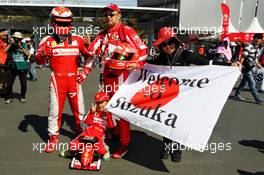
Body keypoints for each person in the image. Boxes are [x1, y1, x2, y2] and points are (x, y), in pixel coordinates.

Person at [148, 27, 240, 162]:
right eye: (163, 44)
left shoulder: (186, 54)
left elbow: (206, 62)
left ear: (175, 41)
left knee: (178, 123)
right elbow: (150, 64)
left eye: (170, 42)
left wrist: (228, 65)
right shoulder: (162, 56)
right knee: (166, 122)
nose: (167, 46)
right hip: (167, 95)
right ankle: (167, 147)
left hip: (184, 95)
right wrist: (136, 64)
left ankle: (177, 148)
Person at [77, 3, 148, 158]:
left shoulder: (126, 30)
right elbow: (91, 52)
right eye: (106, 15)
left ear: (119, 15)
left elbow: (143, 49)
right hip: (105, 80)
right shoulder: (102, 35)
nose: (108, 17)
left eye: (111, 14)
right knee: (106, 109)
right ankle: (115, 132)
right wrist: (85, 44)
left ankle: (125, 144)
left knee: (122, 112)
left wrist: (137, 64)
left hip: (122, 80)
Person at [35, 6, 90, 153]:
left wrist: (84, 72)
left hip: (74, 81)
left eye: (66, 23)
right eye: (60, 23)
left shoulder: (78, 40)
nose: (63, 26)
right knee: (54, 111)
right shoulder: (46, 40)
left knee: (80, 111)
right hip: (57, 81)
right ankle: (53, 138)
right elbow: (38, 62)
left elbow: (90, 56)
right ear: (53, 22)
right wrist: (42, 55)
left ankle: (81, 133)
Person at [60, 91, 115, 161]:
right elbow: (84, 124)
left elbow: (111, 126)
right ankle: (71, 152)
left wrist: (108, 114)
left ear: (107, 101)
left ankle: (106, 150)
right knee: (72, 146)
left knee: (101, 151)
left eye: (102, 102)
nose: (100, 105)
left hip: (99, 134)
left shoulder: (110, 113)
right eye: (97, 103)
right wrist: (91, 113)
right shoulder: (92, 111)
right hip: (88, 131)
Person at [234, 33, 263, 104]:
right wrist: (240, 64)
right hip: (245, 67)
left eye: (259, 39)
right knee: (252, 83)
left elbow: (255, 58)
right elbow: (243, 56)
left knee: (244, 82)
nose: (258, 40)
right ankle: (257, 98)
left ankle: (237, 94)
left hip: (250, 67)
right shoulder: (248, 46)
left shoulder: (257, 47)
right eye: (256, 38)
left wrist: (257, 64)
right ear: (254, 39)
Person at [4, 32, 29, 104]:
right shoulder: (11, 45)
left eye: (19, 39)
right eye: (16, 38)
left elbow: (27, 53)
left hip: (22, 66)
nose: (18, 40)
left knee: (23, 84)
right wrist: (10, 44)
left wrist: (20, 47)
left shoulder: (23, 44)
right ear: (14, 38)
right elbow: (4, 51)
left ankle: (22, 96)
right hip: (12, 67)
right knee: (9, 83)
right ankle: (9, 97)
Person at [0, 29, 8, 97]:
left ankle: (3, 92)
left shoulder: (4, 42)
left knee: (4, 79)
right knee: (3, 79)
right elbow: (5, 51)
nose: (4, 33)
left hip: (4, 63)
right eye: (2, 32)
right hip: (1, 63)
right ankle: (3, 92)